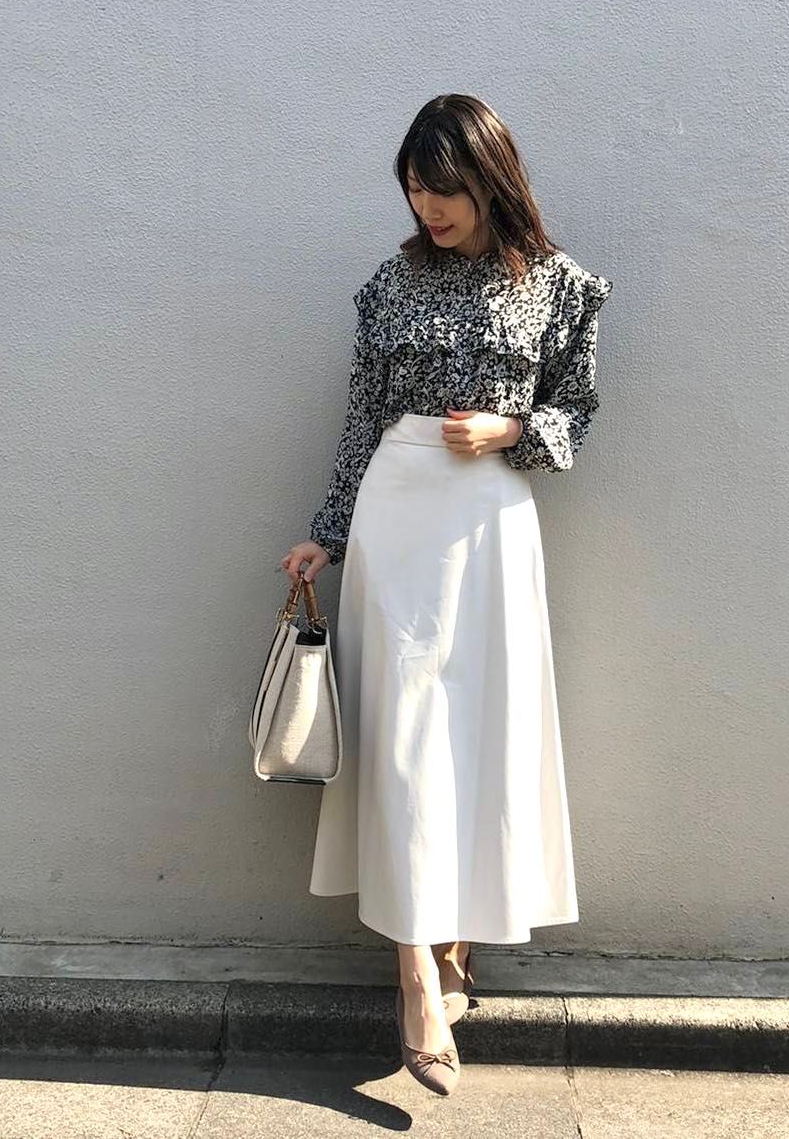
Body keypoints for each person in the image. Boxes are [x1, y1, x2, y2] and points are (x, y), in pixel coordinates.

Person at [280, 93, 613, 1096]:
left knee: (480, 734)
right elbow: (361, 417)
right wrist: (329, 531)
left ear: (491, 181)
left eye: (446, 188)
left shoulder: (559, 285)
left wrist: (510, 431)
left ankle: (460, 937)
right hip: (399, 514)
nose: (428, 207)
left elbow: (577, 409)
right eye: (416, 188)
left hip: (493, 523)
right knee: (407, 736)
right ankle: (417, 977)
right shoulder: (391, 285)